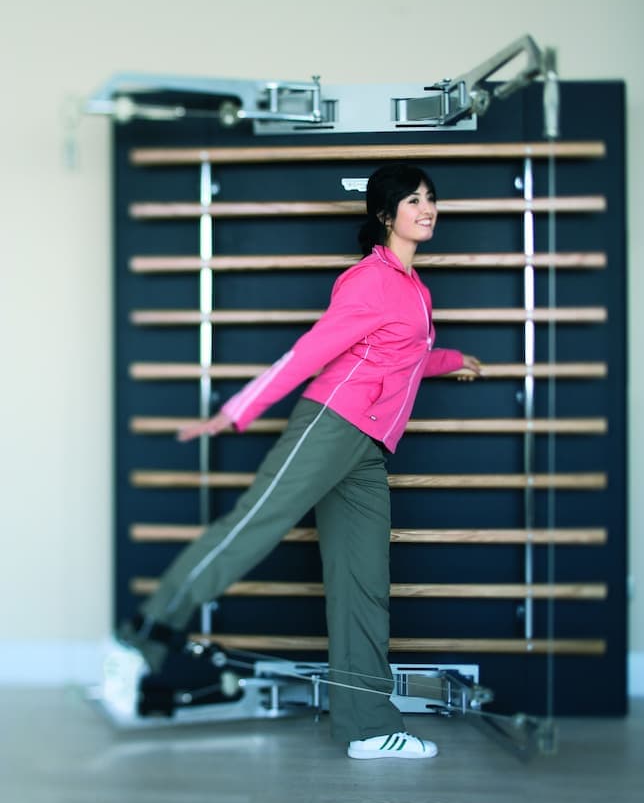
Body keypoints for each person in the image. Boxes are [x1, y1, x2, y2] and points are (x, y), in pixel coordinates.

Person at [117, 163, 482, 759]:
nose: (427, 209)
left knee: (364, 584)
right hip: (330, 426)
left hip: (368, 449)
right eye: (413, 200)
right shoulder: (369, 279)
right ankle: (140, 643)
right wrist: (237, 411)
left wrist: (451, 360)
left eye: (431, 199)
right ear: (385, 215)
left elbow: (403, 355)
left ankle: (368, 727)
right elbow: (311, 352)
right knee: (254, 525)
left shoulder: (415, 288)